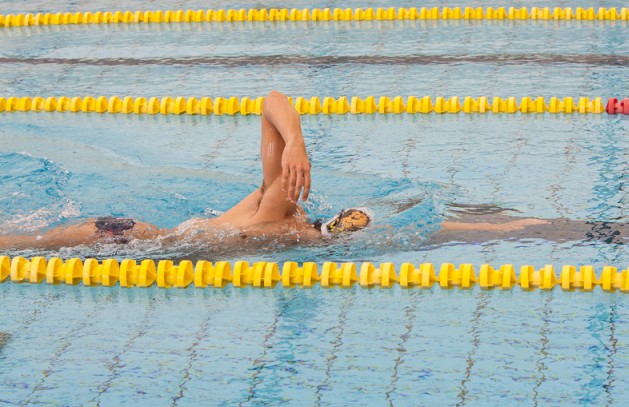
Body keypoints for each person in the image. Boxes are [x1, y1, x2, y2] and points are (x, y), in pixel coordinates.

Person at [0, 91, 372, 251]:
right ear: (327, 233)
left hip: (131, 235)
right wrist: (294, 142)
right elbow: (272, 99)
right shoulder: (284, 210)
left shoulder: (284, 227)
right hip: (129, 241)